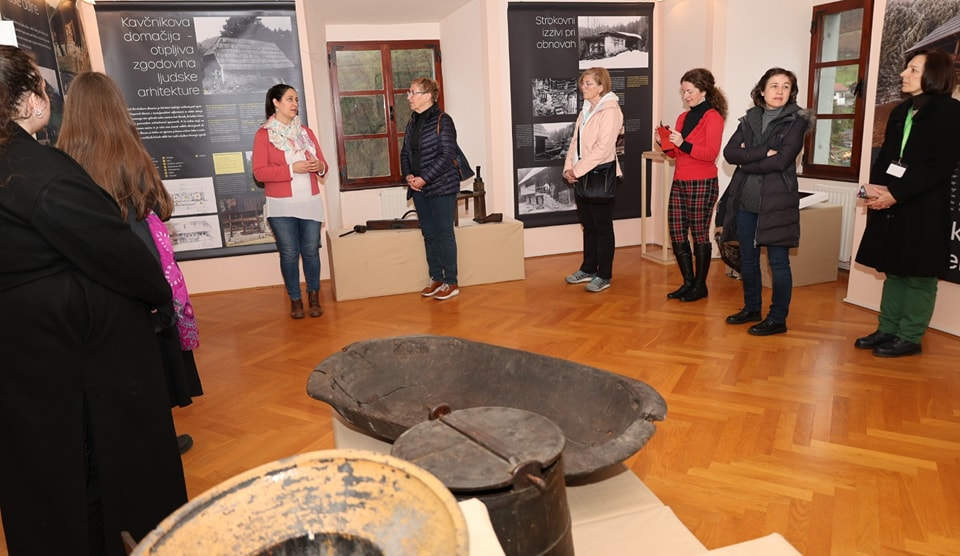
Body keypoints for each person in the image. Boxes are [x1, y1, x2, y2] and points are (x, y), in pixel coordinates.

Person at [0, 45, 187, 555]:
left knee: (40, 463)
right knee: (99, 463)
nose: (46, 96)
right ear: (26, 100)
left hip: (23, 346)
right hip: (72, 343)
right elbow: (113, 250)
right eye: (40, 87)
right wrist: (157, 296)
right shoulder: (37, 170)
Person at [57, 72, 203, 453]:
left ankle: (126, 443)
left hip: (94, 280)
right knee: (153, 360)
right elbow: (160, 205)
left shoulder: (62, 160)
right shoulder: (129, 151)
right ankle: (159, 440)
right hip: (140, 271)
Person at [854, 49, 960, 357]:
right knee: (894, 269)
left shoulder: (951, 112)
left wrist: (895, 194)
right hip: (893, 204)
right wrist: (874, 191)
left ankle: (910, 336)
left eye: (913, 69)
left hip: (925, 206)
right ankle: (887, 329)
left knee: (919, 275)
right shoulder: (902, 111)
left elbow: (939, 167)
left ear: (933, 75)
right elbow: (887, 157)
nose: (904, 74)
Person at [717, 67, 810, 336]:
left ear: (792, 92)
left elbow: (782, 161)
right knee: (748, 259)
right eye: (774, 85)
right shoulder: (750, 118)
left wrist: (747, 161)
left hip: (777, 201)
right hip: (746, 201)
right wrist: (762, 152)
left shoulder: (797, 120)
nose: (780, 91)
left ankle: (777, 318)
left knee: (778, 263)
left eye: (786, 86)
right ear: (762, 90)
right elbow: (730, 153)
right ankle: (752, 308)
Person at [253, 83, 328, 318]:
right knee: (289, 253)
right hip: (281, 206)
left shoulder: (306, 133)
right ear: (276, 103)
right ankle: (295, 300)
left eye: (296, 99)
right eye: (289, 99)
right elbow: (259, 173)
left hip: (310, 202)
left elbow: (324, 166)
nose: (295, 104)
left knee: (311, 252)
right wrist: (291, 169)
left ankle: (314, 297)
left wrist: (319, 166)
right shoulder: (264, 135)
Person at [661, 68, 727, 301]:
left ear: (703, 91)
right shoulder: (682, 118)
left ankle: (700, 286)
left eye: (689, 91)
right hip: (680, 181)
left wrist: (683, 144)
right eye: (683, 92)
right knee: (677, 232)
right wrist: (665, 144)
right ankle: (688, 283)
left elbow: (710, 154)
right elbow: (676, 155)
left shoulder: (713, 117)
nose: (685, 96)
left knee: (699, 234)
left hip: (702, 182)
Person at [563, 67, 624, 293]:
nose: (583, 87)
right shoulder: (586, 109)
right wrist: (568, 168)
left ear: (601, 86)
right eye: (583, 83)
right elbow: (574, 141)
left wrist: (576, 171)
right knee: (588, 225)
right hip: (582, 173)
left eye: (588, 83)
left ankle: (604, 275)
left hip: (600, 174)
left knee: (602, 227)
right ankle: (588, 268)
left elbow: (603, 148)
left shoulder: (611, 111)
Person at [401, 77, 462, 300]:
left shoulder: (443, 120)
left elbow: (447, 155)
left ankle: (451, 282)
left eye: (413, 92)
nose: (409, 97)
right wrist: (409, 175)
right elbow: (405, 153)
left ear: (427, 96)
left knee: (444, 233)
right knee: (429, 234)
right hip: (419, 189)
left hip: (441, 187)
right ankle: (436, 278)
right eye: (409, 92)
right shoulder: (412, 122)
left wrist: (424, 179)